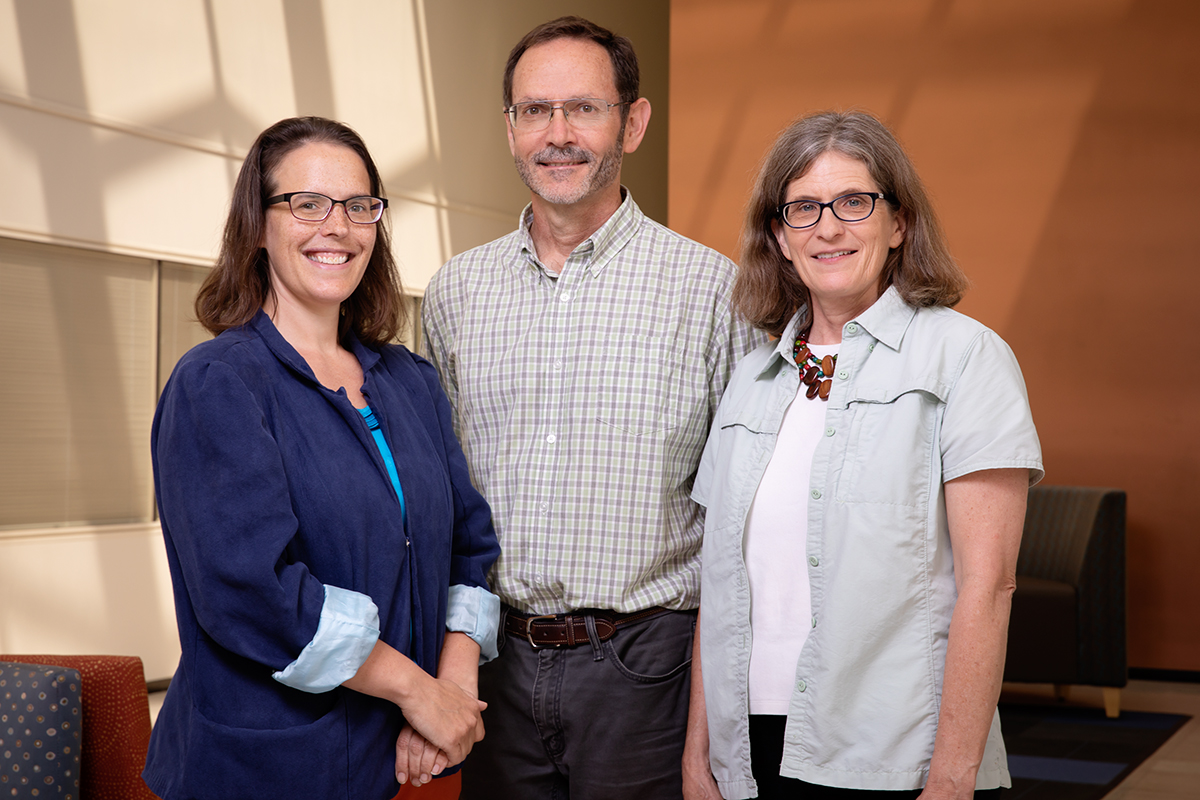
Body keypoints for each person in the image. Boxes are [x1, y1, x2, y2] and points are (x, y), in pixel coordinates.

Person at [421, 16, 766, 800]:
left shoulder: (715, 294)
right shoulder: (455, 294)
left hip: (646, 667)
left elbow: (744, 515)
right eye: (535, 111)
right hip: (492, 661)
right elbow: (438, 497)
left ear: (633, 122)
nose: (558, 134)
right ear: (509, 129)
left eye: (584, 108)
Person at [686, 110, 1044, 800]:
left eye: (854, 202)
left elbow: (989, 587)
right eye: (802, 208)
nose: (828, 227)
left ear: (899, 222)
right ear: (779, 238)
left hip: (896, 754)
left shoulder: (966, 359)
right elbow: (721, 585)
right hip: (751, 751)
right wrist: (699, 754)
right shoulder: (751, 381)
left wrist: (952, 776)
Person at [144, 116, 501, 800]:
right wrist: (416, 691)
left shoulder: (410, 381)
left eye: (358, 205)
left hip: (389, 762)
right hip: (260, 771)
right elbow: (255, 591)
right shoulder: (219, 383)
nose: (336, 226)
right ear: (257, 225)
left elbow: (468, 547)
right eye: (306, 203)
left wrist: (450, 693)